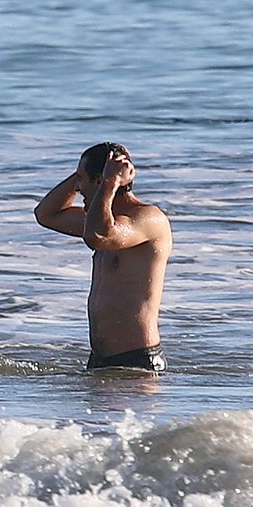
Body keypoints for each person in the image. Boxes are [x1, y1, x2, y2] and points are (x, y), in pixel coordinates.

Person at [33, 142, 171, 372]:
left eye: (81, 180)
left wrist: (109, 182)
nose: (77, 188)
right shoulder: (98, 219)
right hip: (100, 360)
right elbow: (46, 214)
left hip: (137, 362)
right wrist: (88, 176)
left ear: (100, 181)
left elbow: (99, 235)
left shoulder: (149, 219)